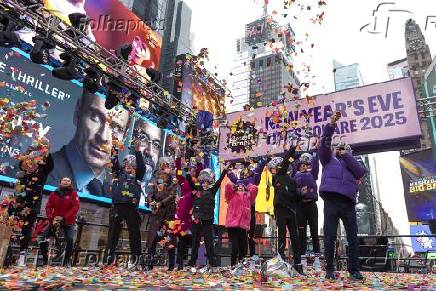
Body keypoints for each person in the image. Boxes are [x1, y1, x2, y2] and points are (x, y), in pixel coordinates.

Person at [48, 90, 130, 196]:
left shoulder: (114, 189)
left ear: (124, 136)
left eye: (116, 127)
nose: (103, 137)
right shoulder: (44, 172)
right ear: (78, 112)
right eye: (95, 117)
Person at [319, 113, 367, 280]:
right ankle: (330, 269)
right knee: (330, 236)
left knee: (352, 237)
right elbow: (324, 142)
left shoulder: (355, 161)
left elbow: (361, 172)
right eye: (338, 147)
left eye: (344, 147)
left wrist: (346, 154)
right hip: (331, 201)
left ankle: (354, 270)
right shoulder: (328, 159)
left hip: (348, 203)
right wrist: (331, 125)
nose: (340, 148)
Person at [106, 140, 145, 266]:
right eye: (126, 163)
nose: (129, 165)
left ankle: (136, 260)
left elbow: (142, 167)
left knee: (134, 233)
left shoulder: (138, 176)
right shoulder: (119, 174)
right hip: (117, 206)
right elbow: (114, 162)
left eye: (132, 164)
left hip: (131, 208)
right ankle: (108, 259)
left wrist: (138, 151)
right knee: (113, 233)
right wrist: (115, 149)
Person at [268, 145, 305, 275]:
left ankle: (298, 265)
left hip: (291, 211)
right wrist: (292, 149)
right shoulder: (277, 176)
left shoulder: (292, 180)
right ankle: (281, 263)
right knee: (282, 235)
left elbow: (296, 197)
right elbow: (285, 162)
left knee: (295, 237)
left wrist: (301, 193)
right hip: (280, 209)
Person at [13, 148, 54, 267]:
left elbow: (50, 165)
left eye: (31, 163)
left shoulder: (41, 172)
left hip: (32, 207)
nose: (29, 165)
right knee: (12, 229)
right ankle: (6, 253)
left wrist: (46, 150)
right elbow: (17, 191)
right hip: (17, 206)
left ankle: (21, 256)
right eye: (25, 164)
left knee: (26, 231)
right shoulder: (21, 175)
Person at [186, 167, 227, 273]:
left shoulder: (212, 191)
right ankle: (191, 263)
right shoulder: (196, 190)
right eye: (203, 182)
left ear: (209, 183)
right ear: (201, 182)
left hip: (207, 221)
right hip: (197, 220)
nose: (204, 184)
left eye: (207, 182)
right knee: (195, 242)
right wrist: (187, 170)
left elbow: (219, 181)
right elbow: (189, 181)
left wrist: (225, 170)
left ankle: (213, 264)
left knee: (209, 242)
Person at [227, 158, 267, 257]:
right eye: (244, 172)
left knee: (250, 233)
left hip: (249, 208)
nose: (245, 173)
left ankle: (252, 255)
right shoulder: (239, 181)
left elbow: (258, 170)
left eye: (247, 171)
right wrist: (227, 169)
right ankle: (242, 256)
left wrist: (263, 160)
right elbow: (232, 178)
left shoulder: (253, 179)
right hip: (241, 210)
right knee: (243, 234)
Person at [39, 177, 80, 267]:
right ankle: (45, 260)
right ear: (60, 182)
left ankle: (67, 260)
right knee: (43, 239)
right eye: (64, 180)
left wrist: (65, 218)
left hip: (68, 221)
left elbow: (75, 207)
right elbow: (48, 207)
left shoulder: (74, 194)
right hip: (55, 221)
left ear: (70, 183)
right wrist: (51, 218)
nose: (66, 182)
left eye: (68, 180)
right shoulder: (54, 193)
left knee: (70, 239)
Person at [145, 169, 179, 271]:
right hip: (157, 215)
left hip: (168, 216)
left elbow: (172, 196)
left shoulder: (173, 184)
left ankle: (171, 265)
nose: (162, 176)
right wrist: (150, 201)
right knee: (152, 240)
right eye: (161, 174)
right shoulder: (155, 183)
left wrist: (161, 203)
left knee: (170, 240)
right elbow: (150, 193)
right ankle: (149, 264)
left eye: (164, 174)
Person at [294, 151, 321, 272]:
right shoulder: (295, 176)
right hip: (300, 206)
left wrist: (315, 154)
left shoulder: (312, 174)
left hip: (312, 205)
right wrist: (300, 192)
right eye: (302, 164)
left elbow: (316, 165)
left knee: (314, 232)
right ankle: (303, 259)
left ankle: (317, 260)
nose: (304, 166)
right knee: (302, 233)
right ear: (299, 166)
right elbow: (293, 191)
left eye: (306, 164)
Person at [224, 181, 257, 267]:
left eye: (242, 186)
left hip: (242, 226)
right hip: (232, 226)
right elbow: (227, 186)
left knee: (244, 249)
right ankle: (233, 265)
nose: (240, 187)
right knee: (235, 248)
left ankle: (240, 265)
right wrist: (234, 185)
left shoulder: (248, 197)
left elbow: (255, 188)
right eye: (239, 186)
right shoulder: (232, 195)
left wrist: (247, 185)